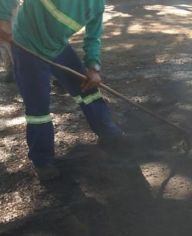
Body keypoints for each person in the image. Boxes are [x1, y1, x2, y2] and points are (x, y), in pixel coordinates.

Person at [0, 0, 127, 180]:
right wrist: (2, 18)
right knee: (38, 110)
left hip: (58, 47)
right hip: (27, 46)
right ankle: (42, 161)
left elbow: (93, 37)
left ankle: (108, 131)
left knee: (87, 89)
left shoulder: (96, 5)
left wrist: (93, 67)